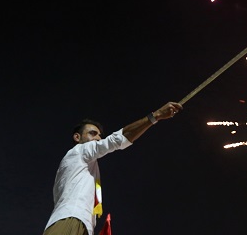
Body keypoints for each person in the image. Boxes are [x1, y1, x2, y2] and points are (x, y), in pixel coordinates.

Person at [43, 101, 183, 235]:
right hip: (72, 218)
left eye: (99, 135)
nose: (98, 138)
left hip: (81, 223)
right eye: (92, 133)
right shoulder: (80, 151)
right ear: (77, 137)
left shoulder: (83, 166)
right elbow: (116, 140)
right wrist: (156, 115)